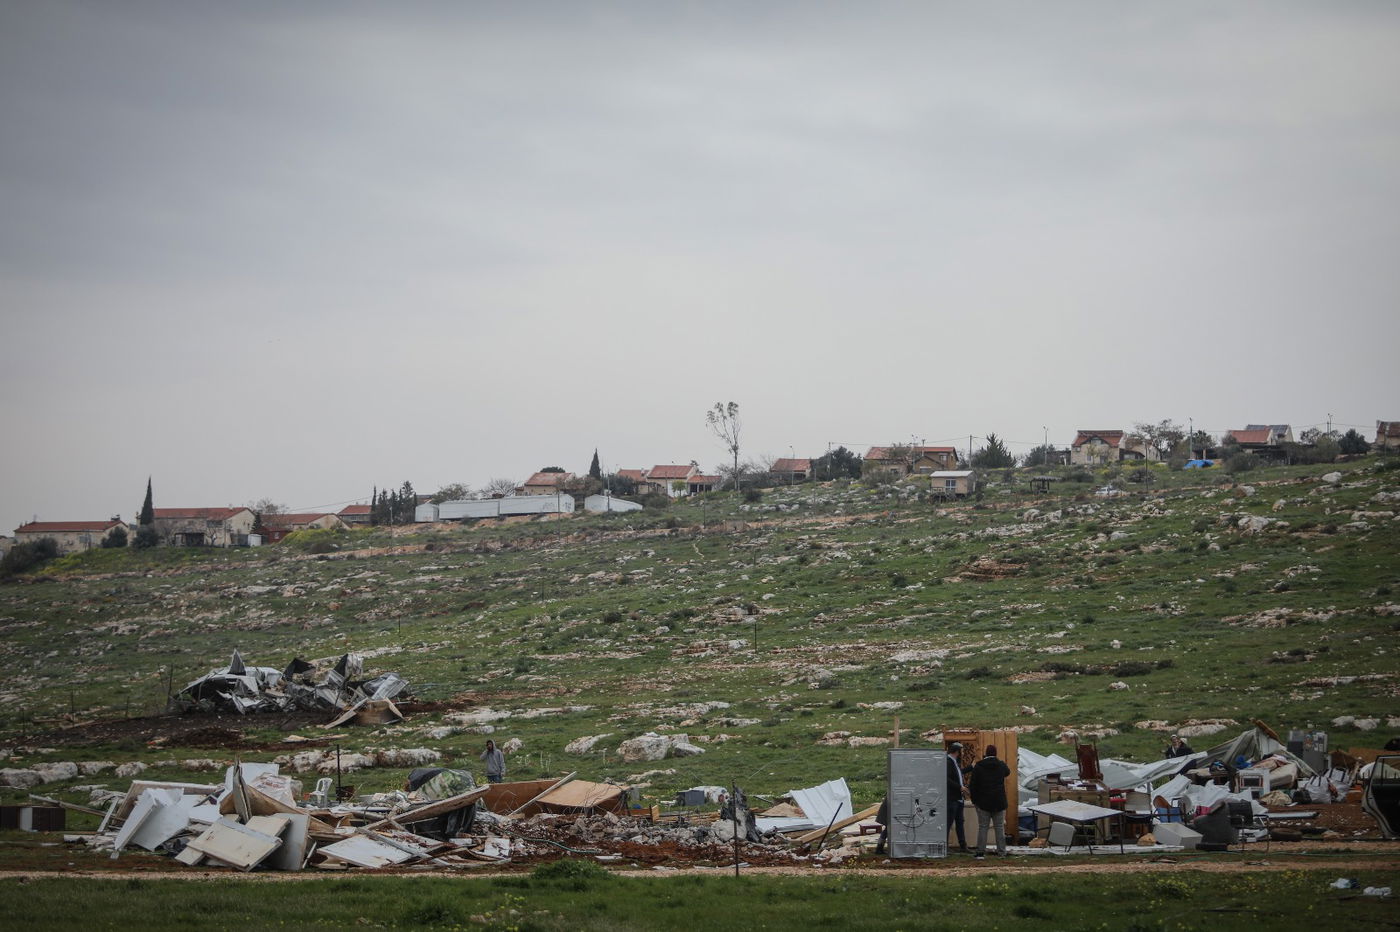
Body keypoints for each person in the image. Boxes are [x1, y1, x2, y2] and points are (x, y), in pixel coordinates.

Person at [969, 745, 1011, 859]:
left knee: (983, 827)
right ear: (996, 753)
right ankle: (1002, 852)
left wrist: (974, 801)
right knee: (999, 828)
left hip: (983, 802)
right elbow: (1008, 772)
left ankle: (980, 852)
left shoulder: (979, 766)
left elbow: (972, 785)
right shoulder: (1001, 765)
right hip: (999, 802)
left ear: (986, 754)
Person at [946, 741, 969, 853]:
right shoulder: (948, 762)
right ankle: (945, 846)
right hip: (952, 797)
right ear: (957, 751)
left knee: (960, 822)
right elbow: (946, 779)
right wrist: (959, 787)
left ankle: (963, 845)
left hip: (958, 797)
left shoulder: (954, 762)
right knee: (949, 822)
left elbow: (959, 773)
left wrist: (971, 768)